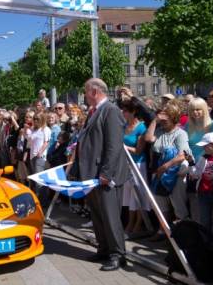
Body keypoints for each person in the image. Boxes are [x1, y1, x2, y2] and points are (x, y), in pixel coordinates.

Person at [71, 78, 129, 271]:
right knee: (97, 215)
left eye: (86, 91)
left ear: (94, 91)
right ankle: (103, 249)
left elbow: (114, 146)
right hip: (91, 174)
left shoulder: (110, 111)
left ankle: (117, 255)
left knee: (111, 217)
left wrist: (106, 173)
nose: (85, 95)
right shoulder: (94, 112)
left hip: (105, 175)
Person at [145, 101, 191, 240]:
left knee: (178, 205)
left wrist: (165, 167)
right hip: (159, 172)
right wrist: (155, 120)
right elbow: (148, 138)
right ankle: (163, 230)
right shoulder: (159, 131)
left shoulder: (180, 133)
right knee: (161, 204)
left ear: (174, 118)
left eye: (166, 117)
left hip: (174, 173)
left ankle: (180, 235)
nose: (163, 120)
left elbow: (183, 154)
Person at [185, 97, 213, 220]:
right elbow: (186, 146)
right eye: (192, 110)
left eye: (198, 109)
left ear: (204, 109)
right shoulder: (187, 125)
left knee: (208, 200)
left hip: (207, 166)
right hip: (192, 166)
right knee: (193, 199)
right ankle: (196, 229)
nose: (195, 112)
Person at [119, 99, 149, 235]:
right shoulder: (124, 125)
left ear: (133, 112)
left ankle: (137, 225)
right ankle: (129, 224)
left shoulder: (142, 128)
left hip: (137, 164)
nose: (123, 112)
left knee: (138, 196)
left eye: (125, 110)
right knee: (129, 196)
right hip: (125, 164)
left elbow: (139, 150)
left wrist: (123, 147)